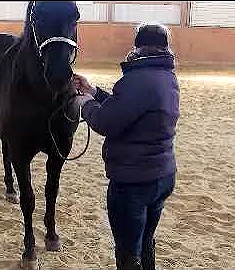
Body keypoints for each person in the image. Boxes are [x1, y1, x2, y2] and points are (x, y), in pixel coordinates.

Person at [73, 23, 180, 270]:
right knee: (145, 241)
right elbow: (128, 109)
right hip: (162, 175)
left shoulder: (136, 79)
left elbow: (106, 121)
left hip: (133, 182)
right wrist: (94, 91)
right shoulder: (166, 75)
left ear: (137, 46)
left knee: (128, 252)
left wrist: (84, 103)